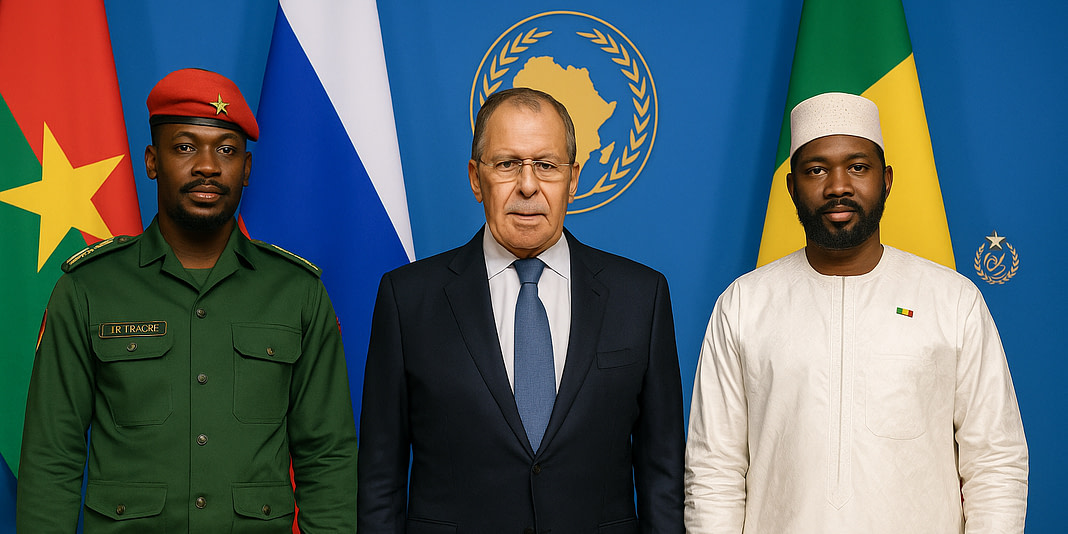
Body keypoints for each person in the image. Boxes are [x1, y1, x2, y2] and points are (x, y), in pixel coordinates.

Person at [16, 68, 357, 532]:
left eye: (226, 150)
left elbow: (327, 455)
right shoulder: (88, 289)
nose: (208, 166)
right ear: (152, 161)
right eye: (184, 147)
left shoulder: (297, 293)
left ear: (247, 169)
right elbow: (52, 456)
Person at [684, 92, 1028, 533]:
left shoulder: (952, 300)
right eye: (816, 170)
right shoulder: (744, 304)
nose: (838, 186)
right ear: (791, 187)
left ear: (886, 180)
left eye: (858, 167)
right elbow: (714, 468)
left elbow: (995, 461)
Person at [358, 87, 684, 532]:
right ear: (476, 178)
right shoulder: (407, 299)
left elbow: (663, 477)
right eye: (507, 164)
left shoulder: (641, 297)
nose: (528, 186)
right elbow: (381, 479)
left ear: (573, 178)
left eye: (546, 165)